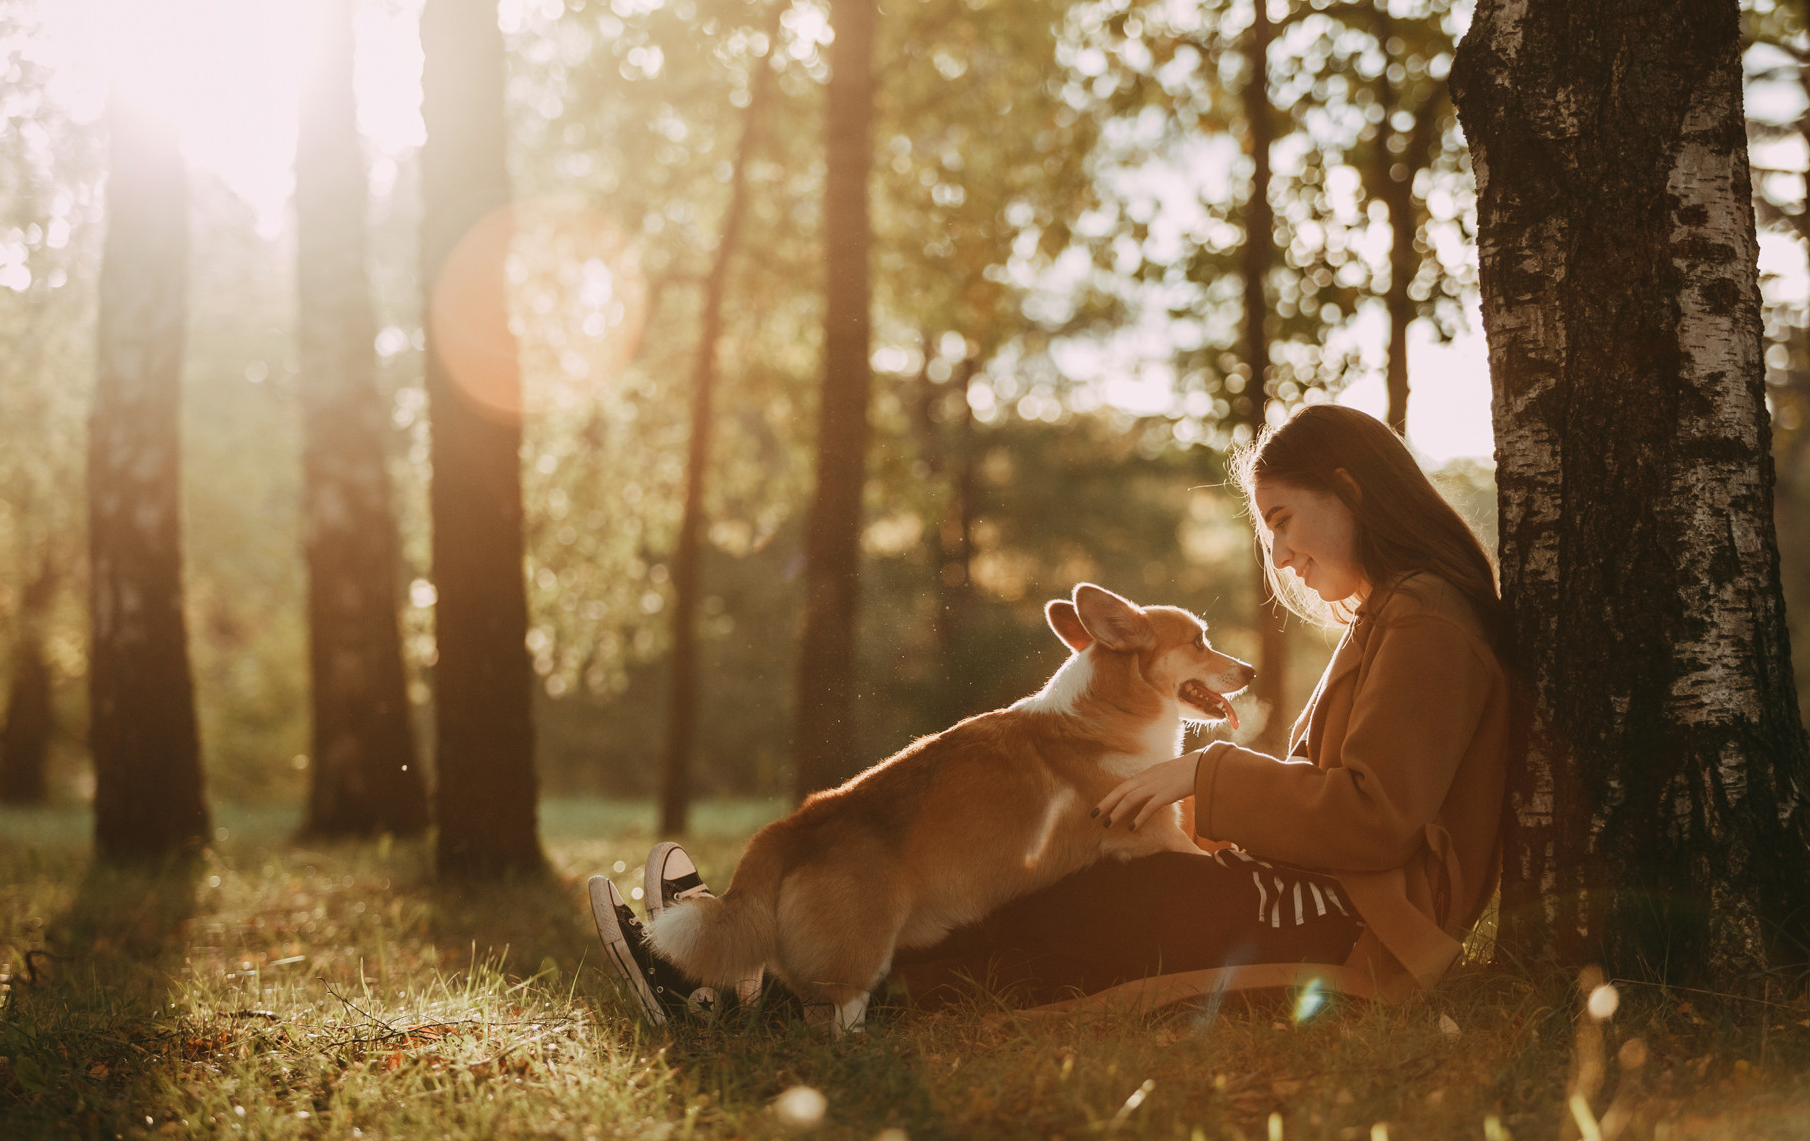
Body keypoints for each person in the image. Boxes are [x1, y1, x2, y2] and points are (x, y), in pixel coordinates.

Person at [596, 403, 1509, 1022]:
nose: (1280, 554)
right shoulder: (1396, 614)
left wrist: (1203, 771)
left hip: (1354, 927)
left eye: (1281, 518)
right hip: (1319, 893)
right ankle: (747, 973)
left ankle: (752, 996)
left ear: (1348, 487)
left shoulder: (1426, 616)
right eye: (1267, 528)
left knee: (1084, 907)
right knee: (1050, 882)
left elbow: (1374, 817)